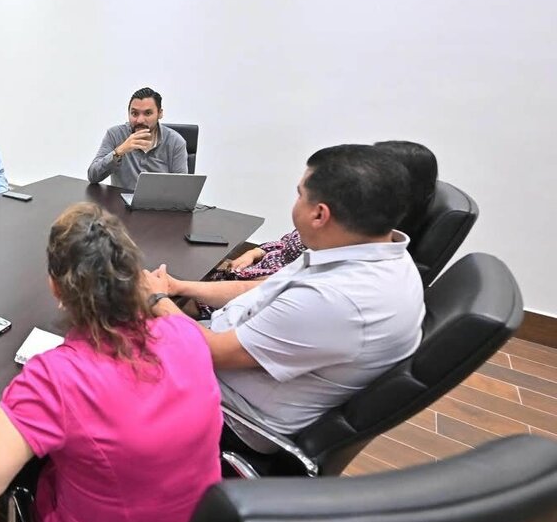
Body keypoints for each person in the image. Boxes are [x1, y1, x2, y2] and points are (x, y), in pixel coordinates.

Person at [0, 203, 222, 522]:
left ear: (55, 289)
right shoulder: (186, 333)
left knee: (24, 471)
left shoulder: (56, 378)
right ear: (137, 276)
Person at [145, 144, 425, 451]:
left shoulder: (334, 300)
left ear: (319, 214)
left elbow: (213, 352)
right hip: (228, 352)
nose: (296, 202)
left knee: (110, 339)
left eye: (300, 194)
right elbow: (257, 290)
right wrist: (179, 287)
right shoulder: (377, 255)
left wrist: (156, 299)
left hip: (230, 412)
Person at [210, 140, 437, 283]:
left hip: (245, 291)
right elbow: (287, 246)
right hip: (246, 276)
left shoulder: (349, 236)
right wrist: (256, 251)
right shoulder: (350, 226)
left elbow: (272, 289)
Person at [87, 88, 188, 189]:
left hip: (159, 199)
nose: (140, 120)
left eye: (147, 113)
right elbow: (93, 176)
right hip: (120, 199)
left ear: (160, 113)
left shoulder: (175, 142)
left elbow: (181, 188)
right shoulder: (114, 134)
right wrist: (119, 152)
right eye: (134, 113)